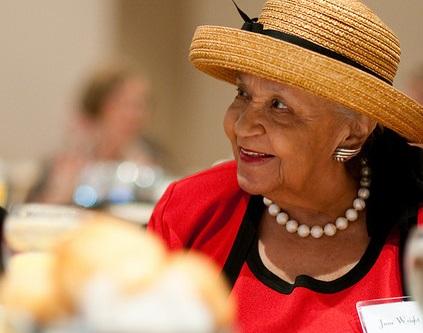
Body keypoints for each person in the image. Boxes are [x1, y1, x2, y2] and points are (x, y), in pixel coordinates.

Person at [148, 0, 423, 332]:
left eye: (279, 105)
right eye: (243, 94)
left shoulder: (414, 228)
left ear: (352, 133)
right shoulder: (191, 211)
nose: (243, 126)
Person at [28, 64, 166, 206]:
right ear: (97, 109)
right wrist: (61, 193)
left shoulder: (154, 159)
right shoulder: (63, 162)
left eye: (141, 104)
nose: (135, 114)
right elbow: (31, 215)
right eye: (124, 103)